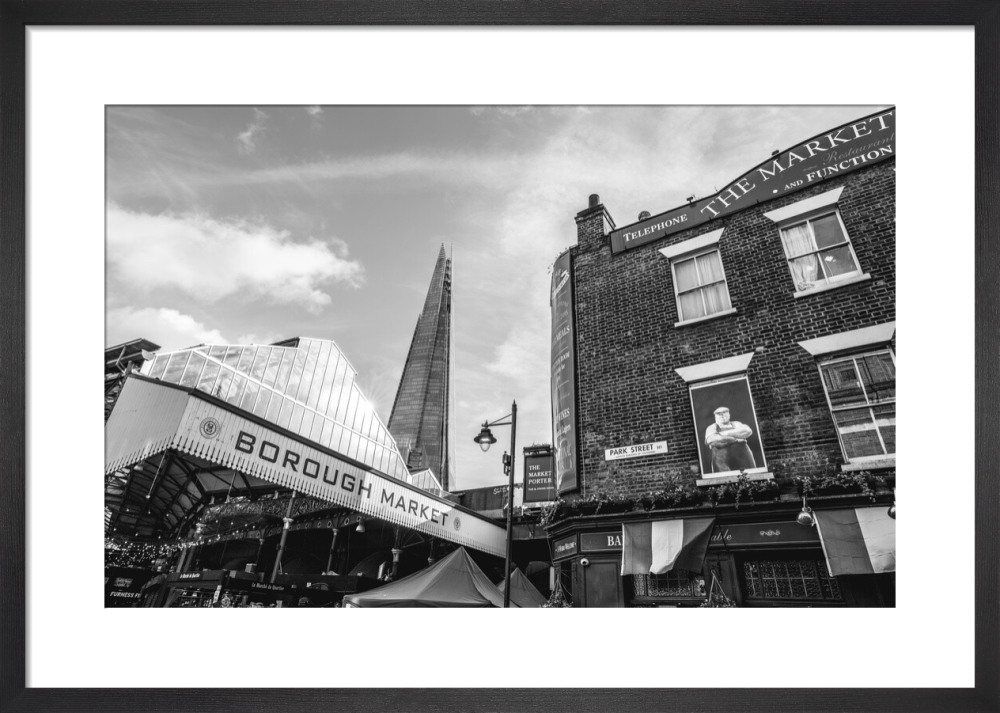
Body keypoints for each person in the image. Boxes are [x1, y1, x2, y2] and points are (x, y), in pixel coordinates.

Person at [704, 407, 756, 473]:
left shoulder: (736, 424)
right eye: (719, 414)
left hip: (742, 454)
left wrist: (723, 434)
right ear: (715, 417)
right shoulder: (712, 427)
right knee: (723, 476)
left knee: (750, 473)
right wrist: (736, 439)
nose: (721, 416)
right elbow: (710, 439)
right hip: (721, 457)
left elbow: (748, 431)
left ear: (729, 415)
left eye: (724, 413)